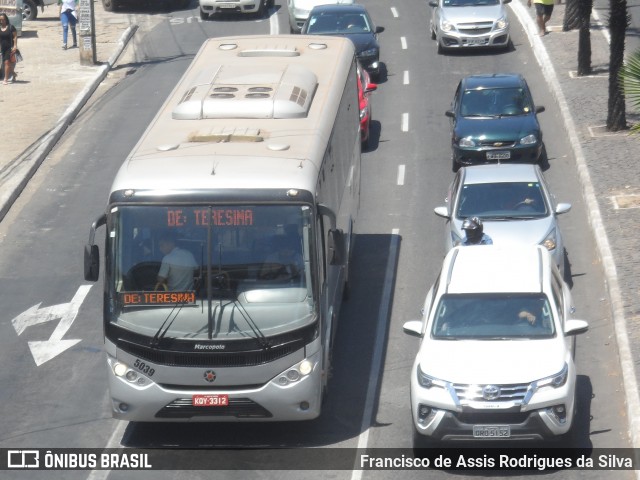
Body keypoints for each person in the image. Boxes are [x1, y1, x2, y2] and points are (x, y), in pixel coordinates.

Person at [0, 13, 17, 85]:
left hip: (9, 48)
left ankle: (6, 79)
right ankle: (13, 74)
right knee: (6, 63)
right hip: (2, 48)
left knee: (6, 62)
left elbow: (15, 37)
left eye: (3, 19)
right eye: (0, 20)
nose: (2, 21)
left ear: (6, 19)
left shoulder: (11, 27)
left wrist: (15, 46)